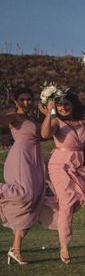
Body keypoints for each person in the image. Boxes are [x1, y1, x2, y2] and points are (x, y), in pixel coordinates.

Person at [41, 89, 85, 264]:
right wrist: (49, 113)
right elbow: (45, 134)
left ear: (73, 105)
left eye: (66, 104)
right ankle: (64, 245)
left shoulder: (82, 122)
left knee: (72, 204)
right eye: (60, 104)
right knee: (67, 202)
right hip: (59, 166)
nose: (63, 107)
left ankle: (62, 230)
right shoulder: (56, 122)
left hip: (77, 166)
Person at [0, 88, 46, 265]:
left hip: (35, 158)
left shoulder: (33, 118)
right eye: (23, 99)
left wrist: (48, 113)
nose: (26, 102)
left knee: (34, 199)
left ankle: (16, 249)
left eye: (29, 99)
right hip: (21, 158)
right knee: (25, 194)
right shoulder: (14, 117)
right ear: (15, 100)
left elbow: (44, 134)